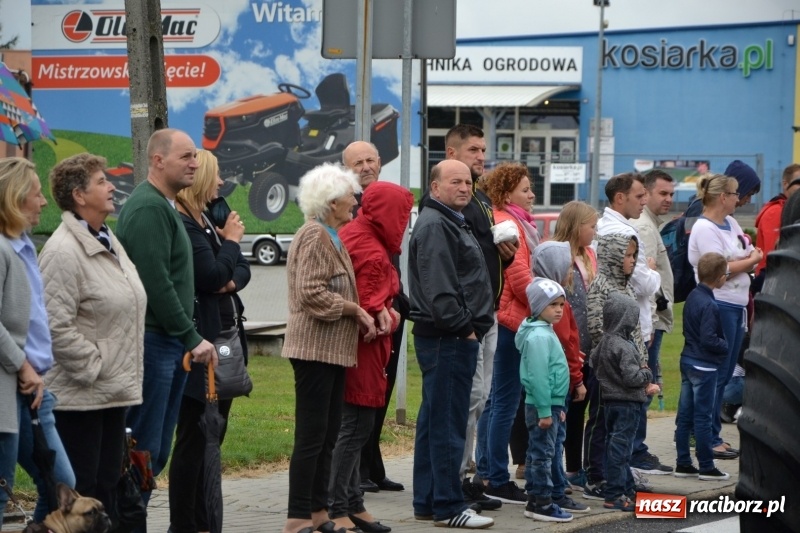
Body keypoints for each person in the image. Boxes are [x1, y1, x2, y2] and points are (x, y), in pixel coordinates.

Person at [116, 129, 218, 523]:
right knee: (141, 449)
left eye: (195, 157)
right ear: (158, 161)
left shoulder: (165, 205)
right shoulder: (148, 209)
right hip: (154, 341)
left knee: (154, 450)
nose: (195, 163)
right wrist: (191, 336)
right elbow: (155, 283)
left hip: (168, 343)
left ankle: (131, 517)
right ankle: (127, 521)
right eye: (186, 157)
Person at [39, 153, 146, 520]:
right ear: (79, 196)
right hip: (81, 396)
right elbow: (54, 325)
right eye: (102, 181)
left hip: (111, 391)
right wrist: (95, 366)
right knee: (83, 495)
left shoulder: (107, 239)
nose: (112, 185)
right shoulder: (62, 251)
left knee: (107, 489)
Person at [280, 163, 376, 533]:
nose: (356, 201)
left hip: (333, 351)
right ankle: (297, 516)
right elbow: (310, 294)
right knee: (311, 436)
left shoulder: (332, 235)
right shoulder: (314, 235)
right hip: (313, 350)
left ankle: (319, 512)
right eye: (351, 195)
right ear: (333, 201)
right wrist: (353, 310)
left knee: (327, 434)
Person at [409, 159, 495, 529]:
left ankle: (428, 502)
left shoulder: (449, 220)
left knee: (434, 422)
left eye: (468, 182)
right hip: (448, 338)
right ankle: (447, 507)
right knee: (447, 424)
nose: (464, 187)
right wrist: (465, 329)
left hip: (450, 336)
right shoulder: (435, 225)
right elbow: (440, 289)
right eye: (455, 182)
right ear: (435, 187)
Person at [433, 125, 516, 511]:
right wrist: (464, 321)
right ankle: (457, 478)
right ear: (451, 152)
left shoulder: (480, 200)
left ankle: (468, 474)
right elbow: (448, 266)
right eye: (473, 149)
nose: (481, 156)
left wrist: (508, 253)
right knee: (466, 401)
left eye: (484, 150)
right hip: (466, 321)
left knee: (480, 399)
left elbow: (486, 252)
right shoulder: (445, 203)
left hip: (488, 314)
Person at [169, 150, 252, 532]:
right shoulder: (187, 224)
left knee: (212, 434)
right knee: (194, 436)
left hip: (222, 338)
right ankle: (184, 523)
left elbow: (237, 271)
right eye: (216, 176)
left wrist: (228, 275)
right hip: (201, 344)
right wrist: (232, 243)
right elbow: (213, 275)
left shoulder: (205, 218)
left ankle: (204, 518)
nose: (221, 184)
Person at [328, 181, 413, 532]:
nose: (405, 223)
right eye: (403, 215)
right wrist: (389, 315)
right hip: (361, 349)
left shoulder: (360, 235)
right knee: (354, 427)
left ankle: (352, 503)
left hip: (361, 348)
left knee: (358, 426)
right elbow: (367, 306)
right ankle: (339, 506)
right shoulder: (371, 248)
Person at [0, 157, 75, 525]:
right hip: (10, 385)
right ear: (14, 198)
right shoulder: (2, 248)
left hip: (32, 388)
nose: (44, 202)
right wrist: (22, 365)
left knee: (60, 482)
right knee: (4, 490)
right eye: (36, 194)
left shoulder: (23, 244)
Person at [341, 141, 407, 494]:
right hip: (370, 324)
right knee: (360, 405)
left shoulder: (386, 203)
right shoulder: (352, 213)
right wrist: (386, 311)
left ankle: (371, 467)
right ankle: (353, 481)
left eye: (370, 159)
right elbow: (365, 285)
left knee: (379, 398)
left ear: (380, 163)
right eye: (357, 162)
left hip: (389, 314)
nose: (365, 166)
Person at [595, 172, 669, 477]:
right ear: (620, 198)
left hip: (628, 325)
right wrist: (651, 271)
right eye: (639, 196)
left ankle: (618, 462)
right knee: (629, 399)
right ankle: (625, 459)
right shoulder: (621, 231)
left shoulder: (614, 226)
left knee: (620, 403)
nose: (645, 201)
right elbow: (643, 283)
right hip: (630, 328)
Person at [687, 174, 762, 460]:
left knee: (725, 372)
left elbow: (737, 257)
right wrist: (752, 261)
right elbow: (719, 270)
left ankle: (713, 433)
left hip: (736, 304)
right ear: (722, 197)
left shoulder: (729, 223)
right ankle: (705, 437)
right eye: (734, 193)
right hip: (719, 305)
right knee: (715, 374)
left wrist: (745, 259)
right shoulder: (705, 228)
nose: (738, 198)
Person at [476, 162, 534, 506]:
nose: (531, 195)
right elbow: (519, 275)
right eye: (525, 189)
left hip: (507, 319)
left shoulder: (509, 219)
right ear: (506, 191)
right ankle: (496, 476)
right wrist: (548, 303)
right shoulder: (507, 223)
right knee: (504, 403)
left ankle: (487, 470)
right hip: (512, 321)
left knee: (496, 401)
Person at [583, 233, 644, 500]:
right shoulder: (602, 286)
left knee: (619, 431)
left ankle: (617, 476)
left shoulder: (626, 287)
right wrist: (620, 365)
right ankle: (596, 474)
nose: (631, 260)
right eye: (627, 255)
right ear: (613, 256)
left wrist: (640, 358)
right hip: (609, 373)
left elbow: (634, 330)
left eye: (633, 255)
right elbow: (599, 328)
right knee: (600, 423)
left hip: (628, 371)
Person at [592, 293, 660, 511]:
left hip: (610, 402)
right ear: (626, 319)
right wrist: (647, 375)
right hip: (627, 404)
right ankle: (614, 494)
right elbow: (632, 378)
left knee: (616, 446)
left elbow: (593, 361)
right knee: (621, 451)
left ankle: (627, 488)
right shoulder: (623, 346)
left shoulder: (604, 342)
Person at [629, 170, 676, 475]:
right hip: (650, 321)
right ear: (645, 193)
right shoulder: (644, 228)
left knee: (646, 385)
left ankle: (635, 450)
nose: (669, 199)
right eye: (662, 194)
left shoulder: (651, 225)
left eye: (671, 194)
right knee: (645, 386)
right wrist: (658, 311)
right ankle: (635, 452)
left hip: (652, 319)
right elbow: (647, 281)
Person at [515, 278, 573, 523]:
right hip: (543, 404)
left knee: (539, 451)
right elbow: (539, 377)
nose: (559, 309)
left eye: (561, 304)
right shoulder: (539, 337)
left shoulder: (544, 331)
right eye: (553, 305)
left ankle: (534, 498)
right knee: (543, 454)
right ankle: (542, 503)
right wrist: (545, 410)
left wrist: (555, 406)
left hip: (550, 403)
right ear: (539, 307)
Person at [551, 201, 597, 492]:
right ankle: (560, 472)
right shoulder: (560, 257)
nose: (594, 231)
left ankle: (574, 468)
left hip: (587, 344)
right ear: (576, 226)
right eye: (591, 226)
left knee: (580, 409)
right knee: (562, 411)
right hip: (567, 344)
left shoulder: (587, 256)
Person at [674, 252, 731, 481]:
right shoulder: (710, 304)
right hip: (704, 366)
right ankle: (706, 465)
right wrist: (725, 345)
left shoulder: (693, 296)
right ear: (719, 278)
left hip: (687, 360)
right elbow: (709, 338)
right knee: (703, 418)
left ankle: (683, 462)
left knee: (685, 415)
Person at [754, 163, 800, 276]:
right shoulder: (776, 212)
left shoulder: (791, 209)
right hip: (772, 277)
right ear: (785, 184)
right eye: (798, 182)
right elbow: (773, 252)